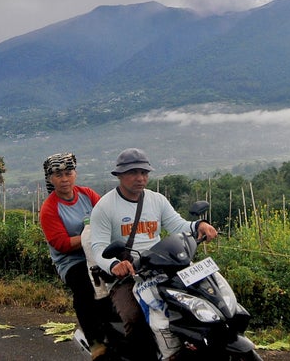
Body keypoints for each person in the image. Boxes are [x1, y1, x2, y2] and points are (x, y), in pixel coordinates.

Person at [88, 148, 218, 361]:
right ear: (119, 175)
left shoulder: (157, 200)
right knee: (134, 317)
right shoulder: (105, 207)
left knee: (200, 302)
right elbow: (98, 247)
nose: (140, 178)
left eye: (144, 172)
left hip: (161, 268)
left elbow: (177, 225)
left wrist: (198, 225)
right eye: (133, 172)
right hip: (128, 276)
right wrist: (114, 265)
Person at [38, 152, 107, 359]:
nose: (64, 179)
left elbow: (106, 217)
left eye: (68, 173)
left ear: (75, 174)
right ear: (51, 179)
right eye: (58, 175)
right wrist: (88, 236)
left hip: (97, 252)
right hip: (72, 260)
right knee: (85, 287)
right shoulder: (49, 209)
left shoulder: (87, 195)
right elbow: (61, 244)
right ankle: (96, 344)